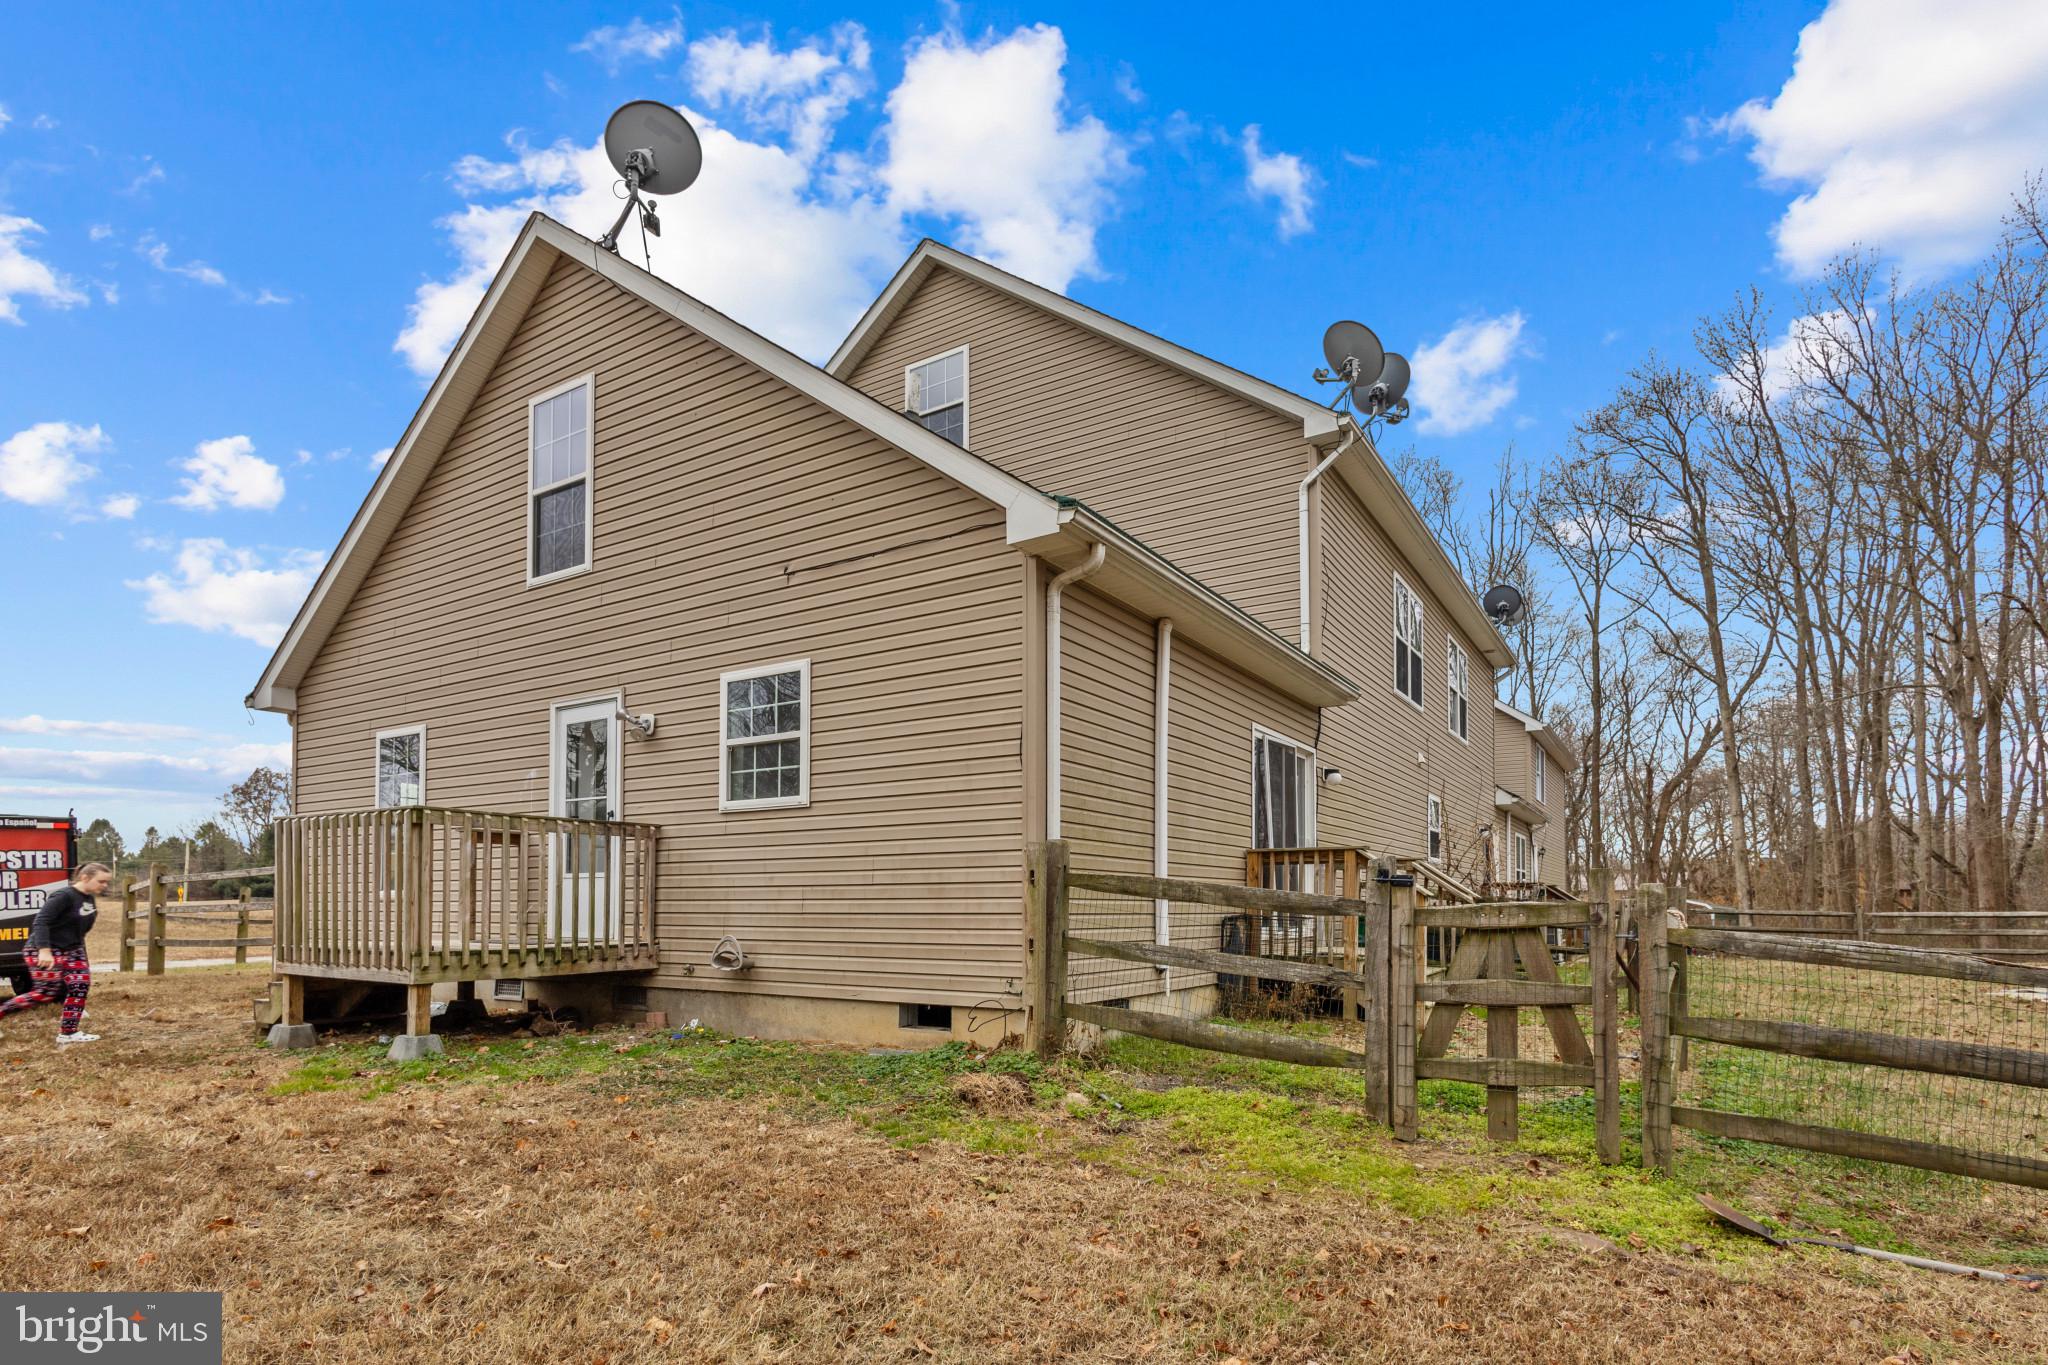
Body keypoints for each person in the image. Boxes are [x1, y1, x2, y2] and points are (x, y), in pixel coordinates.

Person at [0, 862, 111, 1045]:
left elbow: (79, 929)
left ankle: (68, 1033)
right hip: (46, 949)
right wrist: (44, 951)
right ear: (85, 878)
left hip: (72, 949)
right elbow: (41, 922)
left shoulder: (88, 899)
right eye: (101, 881)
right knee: (45, 993)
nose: (105, 885)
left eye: (106, 882)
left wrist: (78, 951)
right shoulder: (64, 896)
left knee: (80, 986)